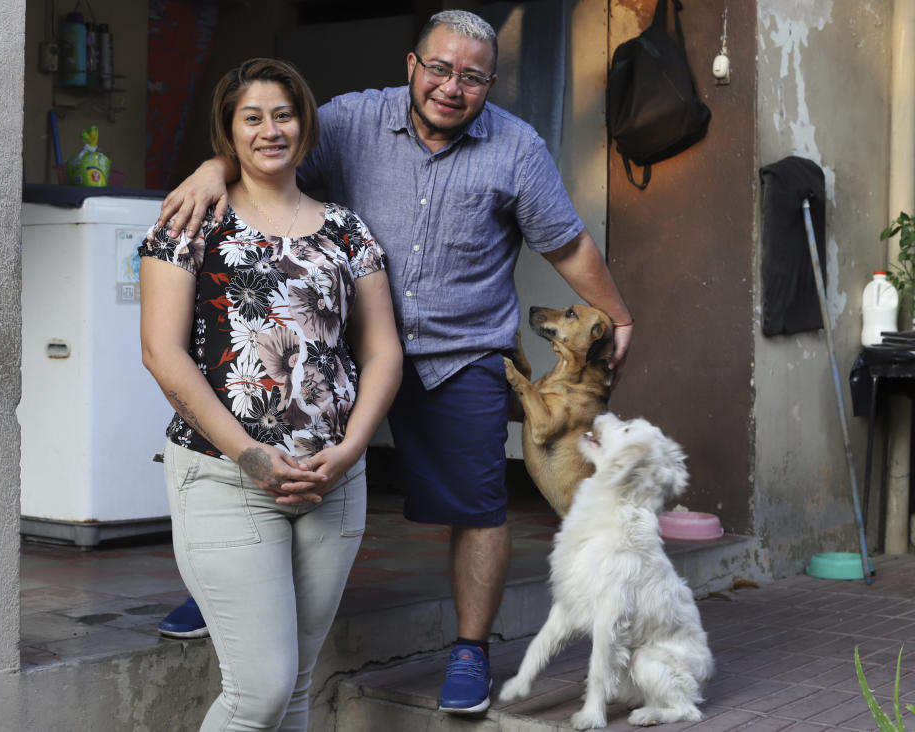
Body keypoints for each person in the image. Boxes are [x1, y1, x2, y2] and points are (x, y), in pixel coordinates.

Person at [158, 10, 633, 716]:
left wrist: (618, 314)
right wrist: (208, 169)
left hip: (462, 348)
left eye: (471, 77)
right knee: (267, 416)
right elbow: (269, 149)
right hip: (351, 339)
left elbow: (565, 244)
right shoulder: (349, 120)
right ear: (412, 67)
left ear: (489, 85)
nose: (451, 86)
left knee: (478, 503)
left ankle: (469, 650)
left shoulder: (516, 147)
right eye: (438, 68)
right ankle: (225, 579)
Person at [139, 58, 402, 731]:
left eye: (283, 114)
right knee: (259, 690)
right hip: (225, 474)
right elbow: (161, 353)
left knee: (296, 688)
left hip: (332, 479)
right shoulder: (189, 221)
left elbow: (381, 352)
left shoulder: (348, 229)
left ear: (304, 122)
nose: (270, 130)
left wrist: (350, 449)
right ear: (228, 132)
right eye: (251, 117)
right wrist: (250, 454)